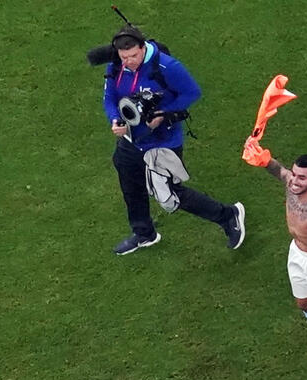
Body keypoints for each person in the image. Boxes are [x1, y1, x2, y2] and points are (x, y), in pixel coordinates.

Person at [102, 27, 244, 256]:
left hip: (163, 141)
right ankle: (144, 233)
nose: (129, 62)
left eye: (133, 56)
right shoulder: (116, 67)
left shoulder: (168, 67)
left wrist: (163, 113)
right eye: (124, 57)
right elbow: (109, 98)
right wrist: (115, 119)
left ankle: (228, 216)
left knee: (170, 193)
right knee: (131, 185)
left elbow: (192, 93)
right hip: (130, 140)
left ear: (143, 48)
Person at [240, 144, 307, 373]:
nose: (294, 181)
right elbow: (278, 170)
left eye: (302, 178)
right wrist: (260, 156)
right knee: (305, 303)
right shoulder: (292, 184)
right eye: (294, 174)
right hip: (297, 254)